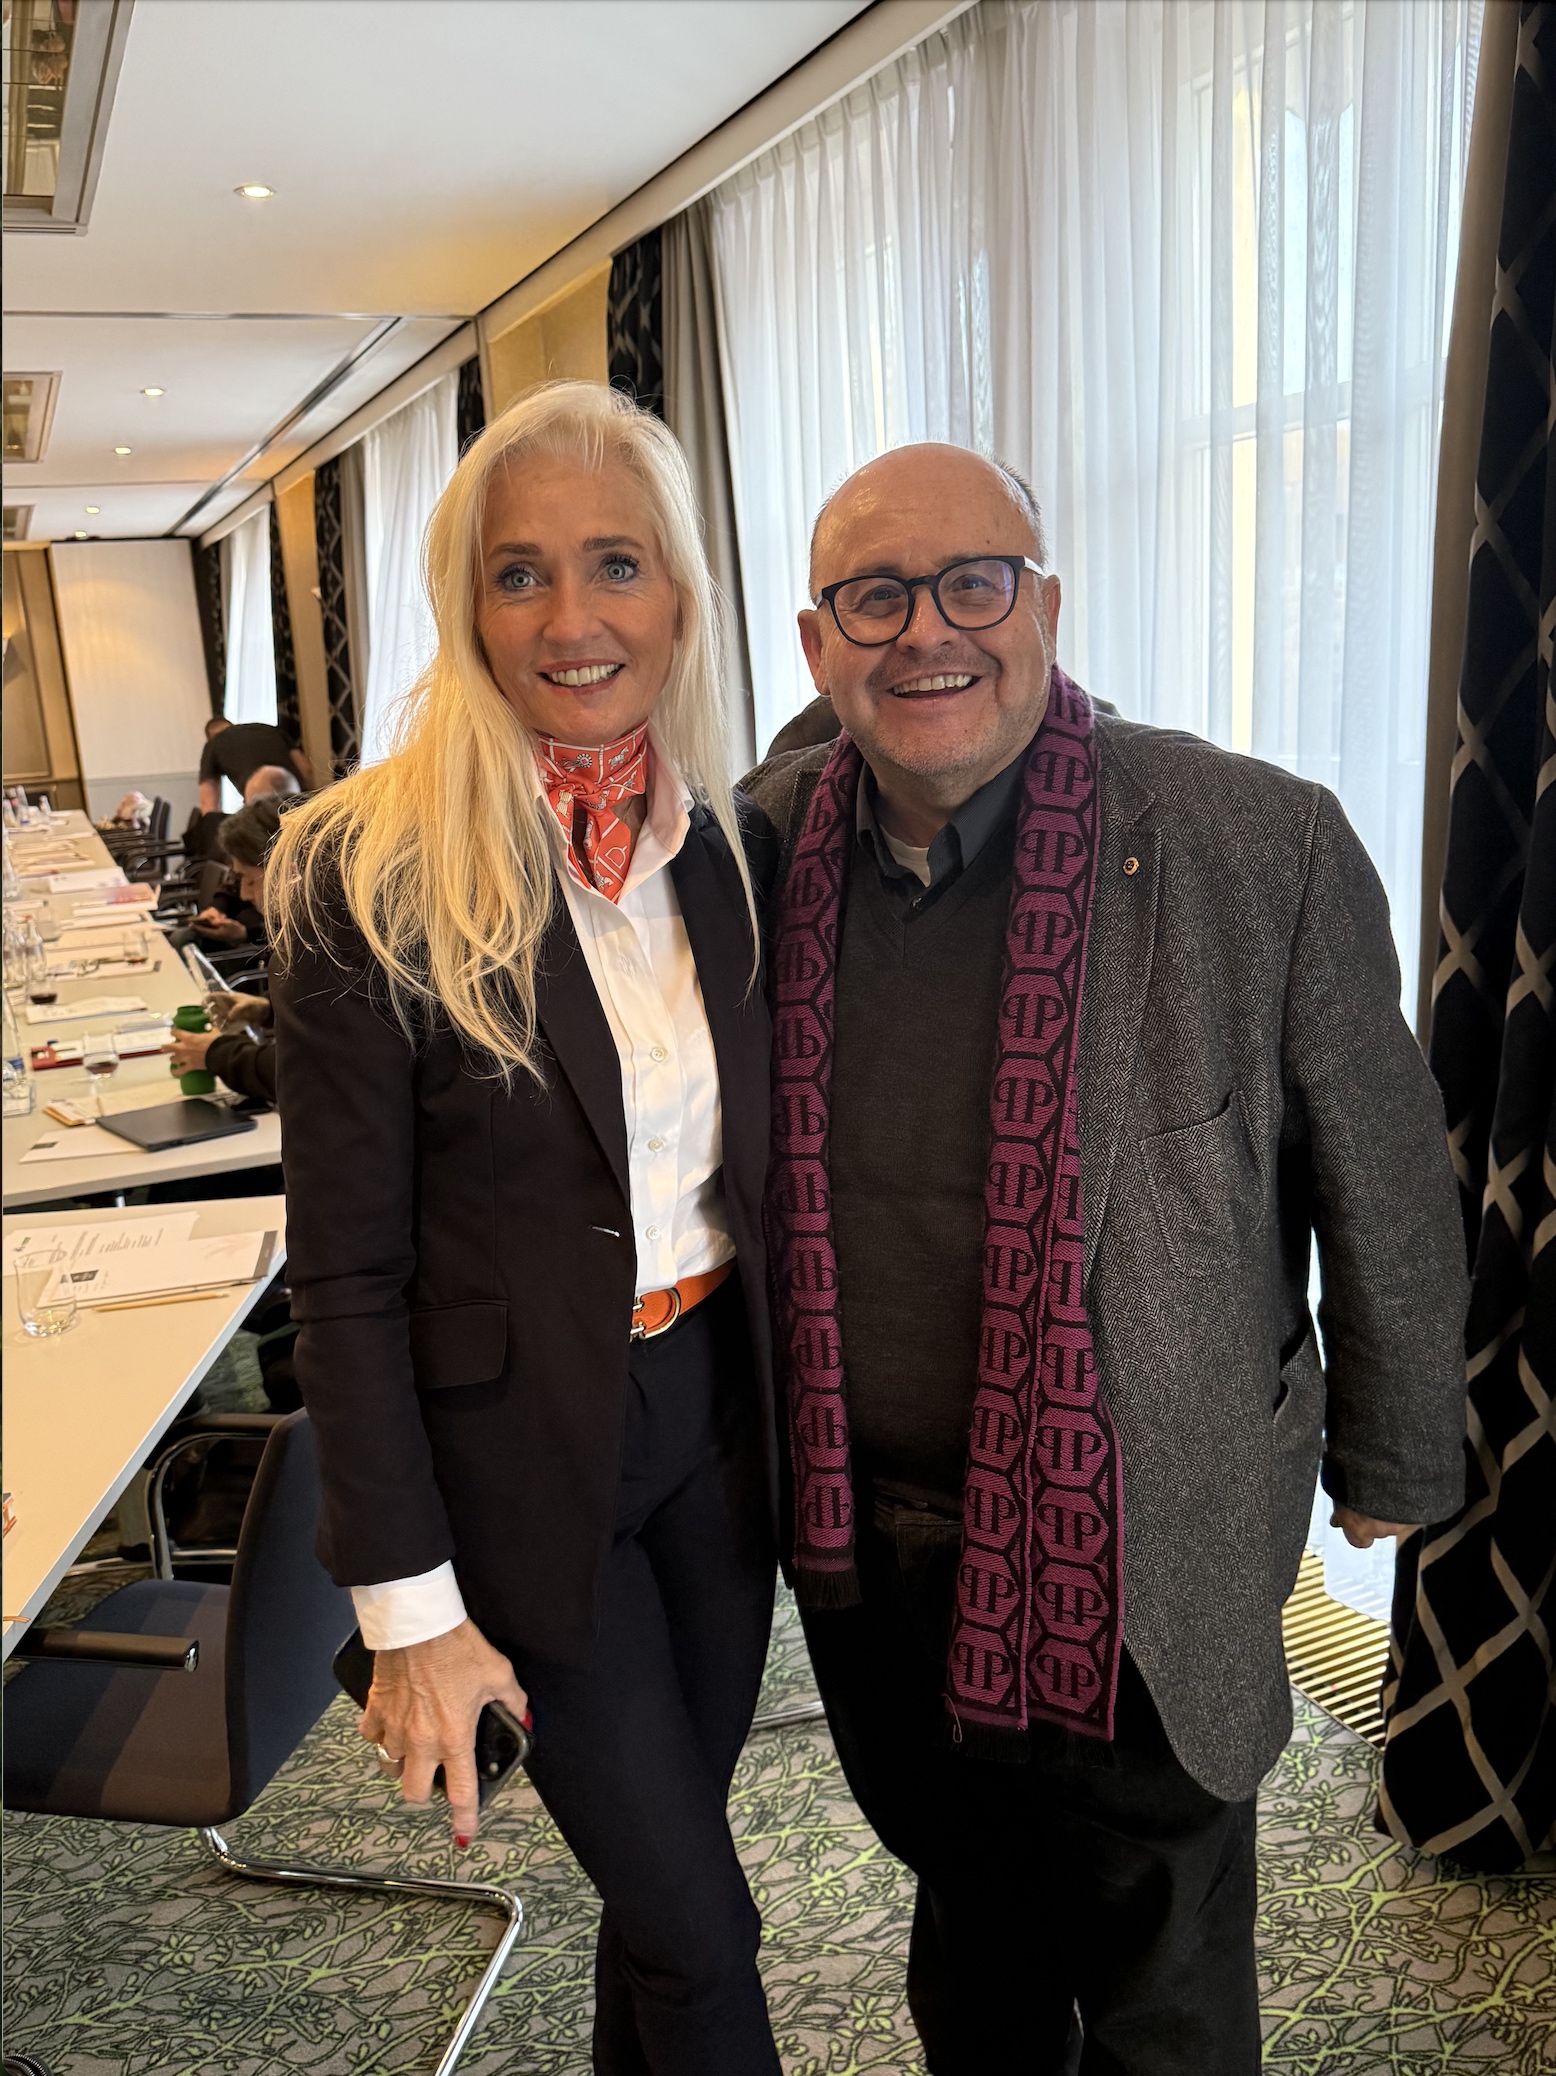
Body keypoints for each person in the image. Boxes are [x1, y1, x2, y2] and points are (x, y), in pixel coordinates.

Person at [742, 443, 1468, 2076]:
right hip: (869, 1552)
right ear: (816, 642)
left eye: (973, 582)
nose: (929, 631)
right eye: (875, 596)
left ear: (1046, 605)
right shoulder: (757, 850)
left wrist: (1395, 1454)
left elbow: (1387, 1180)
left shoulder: (1252, 844)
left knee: (1162, 1986)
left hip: (1150, 1535)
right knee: (970, 1940)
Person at [269, 381, 781, 2076]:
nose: (572, 619)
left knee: (668, 1886)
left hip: (716, 1431)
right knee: (707, 1933)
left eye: (616, 563)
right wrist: (407, 1609)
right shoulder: (362, 870)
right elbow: (345, 1281)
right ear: (465, 604)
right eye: (520, 573)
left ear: (679, 593)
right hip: (514, 1466)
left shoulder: (734, 847)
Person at [168, 796, 283, 1105]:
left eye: (249, 881)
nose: (244, 894)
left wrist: (214, 1054)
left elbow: (295, 1071)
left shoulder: (325, 950)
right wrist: (267, 1009)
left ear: (285, 869)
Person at [198, 715, 313, 810]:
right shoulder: (270, 730)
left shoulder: (212, 745)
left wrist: (209, 824)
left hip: (262, 805)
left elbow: (208, 801)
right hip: (297, 798)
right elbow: (305, 769)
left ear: (209, 736)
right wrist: (311, 798)